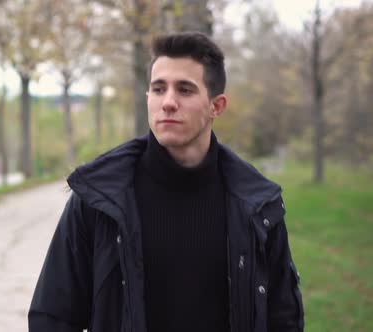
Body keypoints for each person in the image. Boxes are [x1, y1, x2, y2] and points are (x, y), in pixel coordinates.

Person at [29, 32, 304, 332]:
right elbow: (52, 315)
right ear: (148, 99)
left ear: (217, 106)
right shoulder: (99, 198)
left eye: (185, 90)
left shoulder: (257, 206)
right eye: (159, 89)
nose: (168, 102)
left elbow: (284, 318)